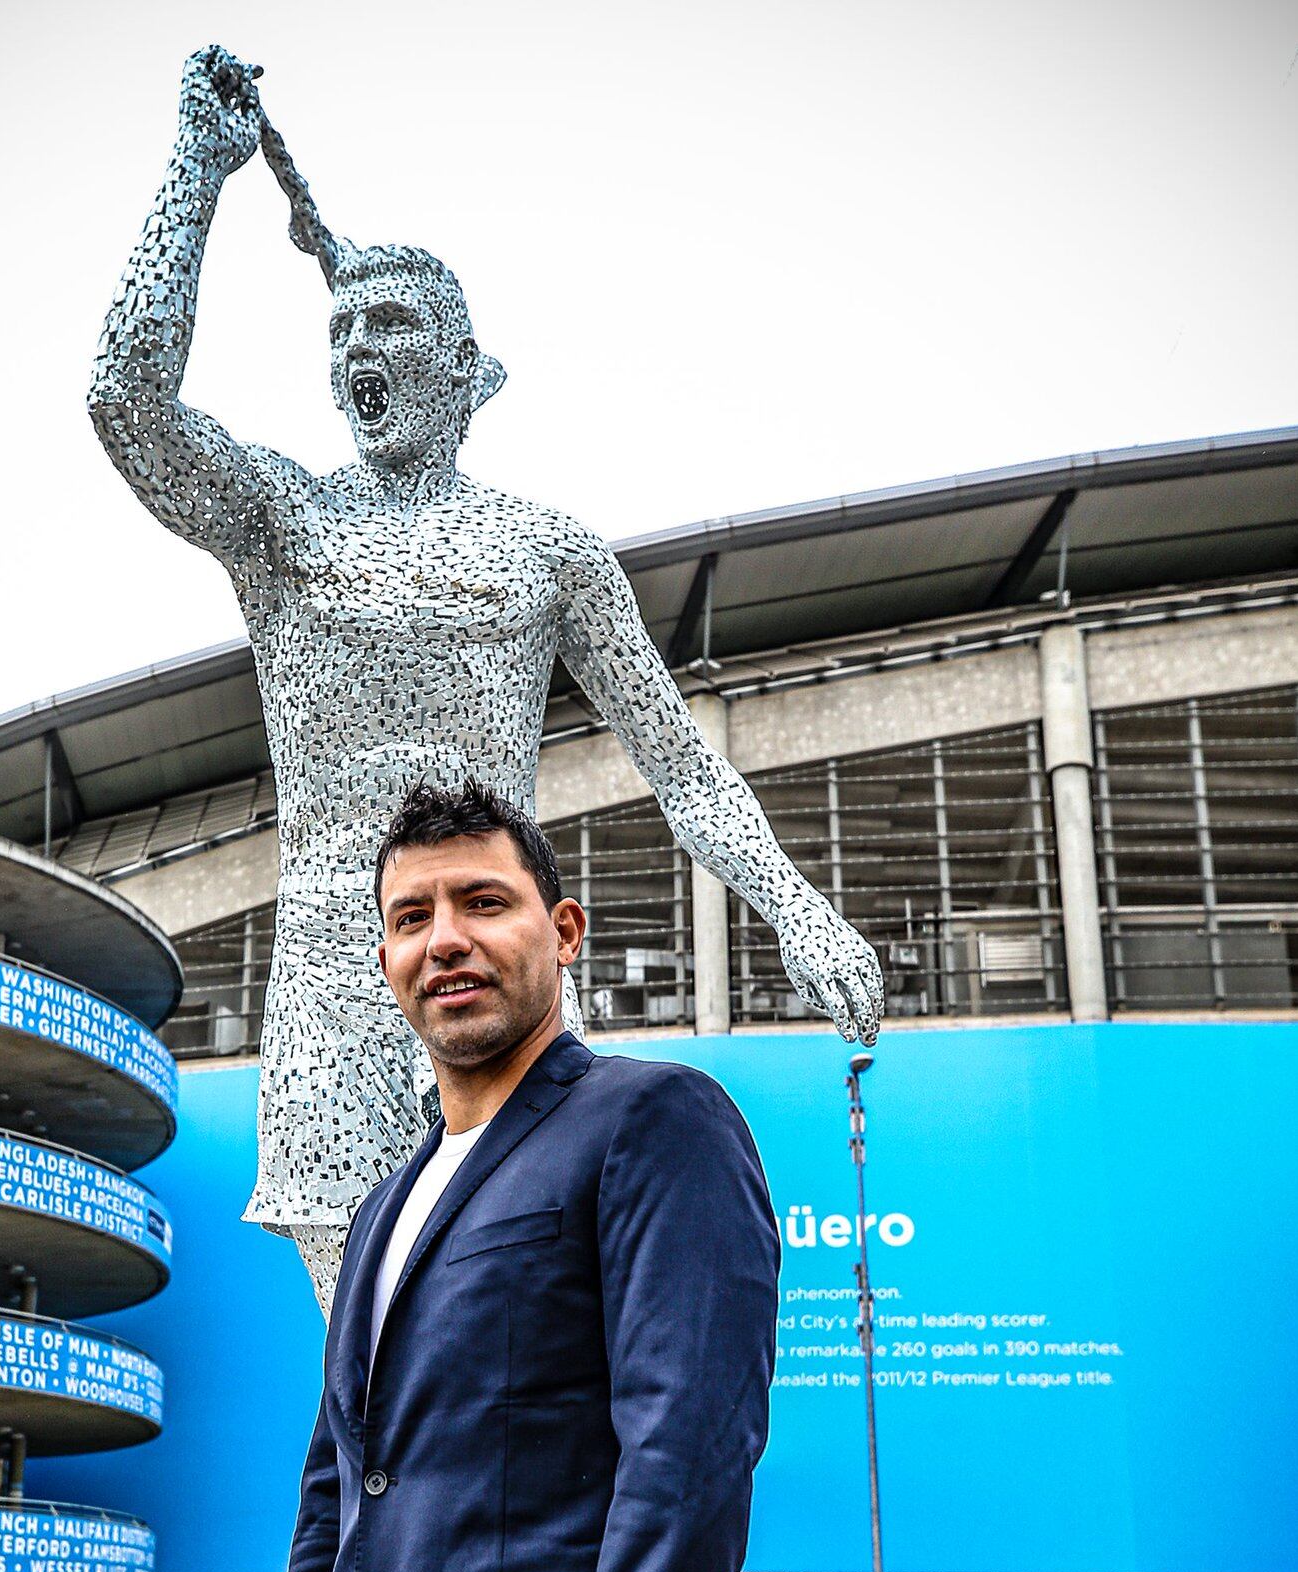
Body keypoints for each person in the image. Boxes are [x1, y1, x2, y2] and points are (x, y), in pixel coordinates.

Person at [89, 45, 881, 1313]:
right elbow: (126, 397)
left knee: (508, 1336)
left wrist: (798, 909)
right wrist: (197, 171)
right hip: (336, 995)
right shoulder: (284, 522)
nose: (359, 343)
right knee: (369, 1367)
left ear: (469, 372)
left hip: (494, 966)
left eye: (391, 322)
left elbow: (680, 764)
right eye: (342, 326)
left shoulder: (546, 547)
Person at [235, 780, 780, 1572]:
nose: (446, 939)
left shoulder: (654, 1120)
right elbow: (337, 1508)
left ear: (566, 929)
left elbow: (687, 1467)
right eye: (410, 916)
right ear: (382, 957)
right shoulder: (383, 1206)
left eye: (485, 901)